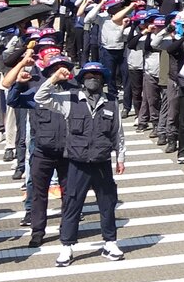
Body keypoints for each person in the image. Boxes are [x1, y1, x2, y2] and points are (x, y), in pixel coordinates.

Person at [33, 61, 126, 267]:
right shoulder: (70, 99)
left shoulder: (111, 102)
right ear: (82, 79)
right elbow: (40, 97)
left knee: (107, 204)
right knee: (72, 204)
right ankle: (67, 246)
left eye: (97, 76)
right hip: (77, 162)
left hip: (102, 162)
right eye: (89, 75)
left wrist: (120, 157)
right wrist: (54, 79)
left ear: (103, 80)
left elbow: (117, 132)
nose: (93, 79)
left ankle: (110, 242)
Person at [2, 48, 72, 248]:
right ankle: (37, 231)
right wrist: (19, 84)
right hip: (42, 151)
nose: (60, 71)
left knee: (69, 193)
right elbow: (12, 100)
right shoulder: (38, 91)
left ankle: (66, 228)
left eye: (63, 67)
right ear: (48, 71)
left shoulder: (75, 91)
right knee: (38, 194)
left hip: (67, 151)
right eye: (56, 68)